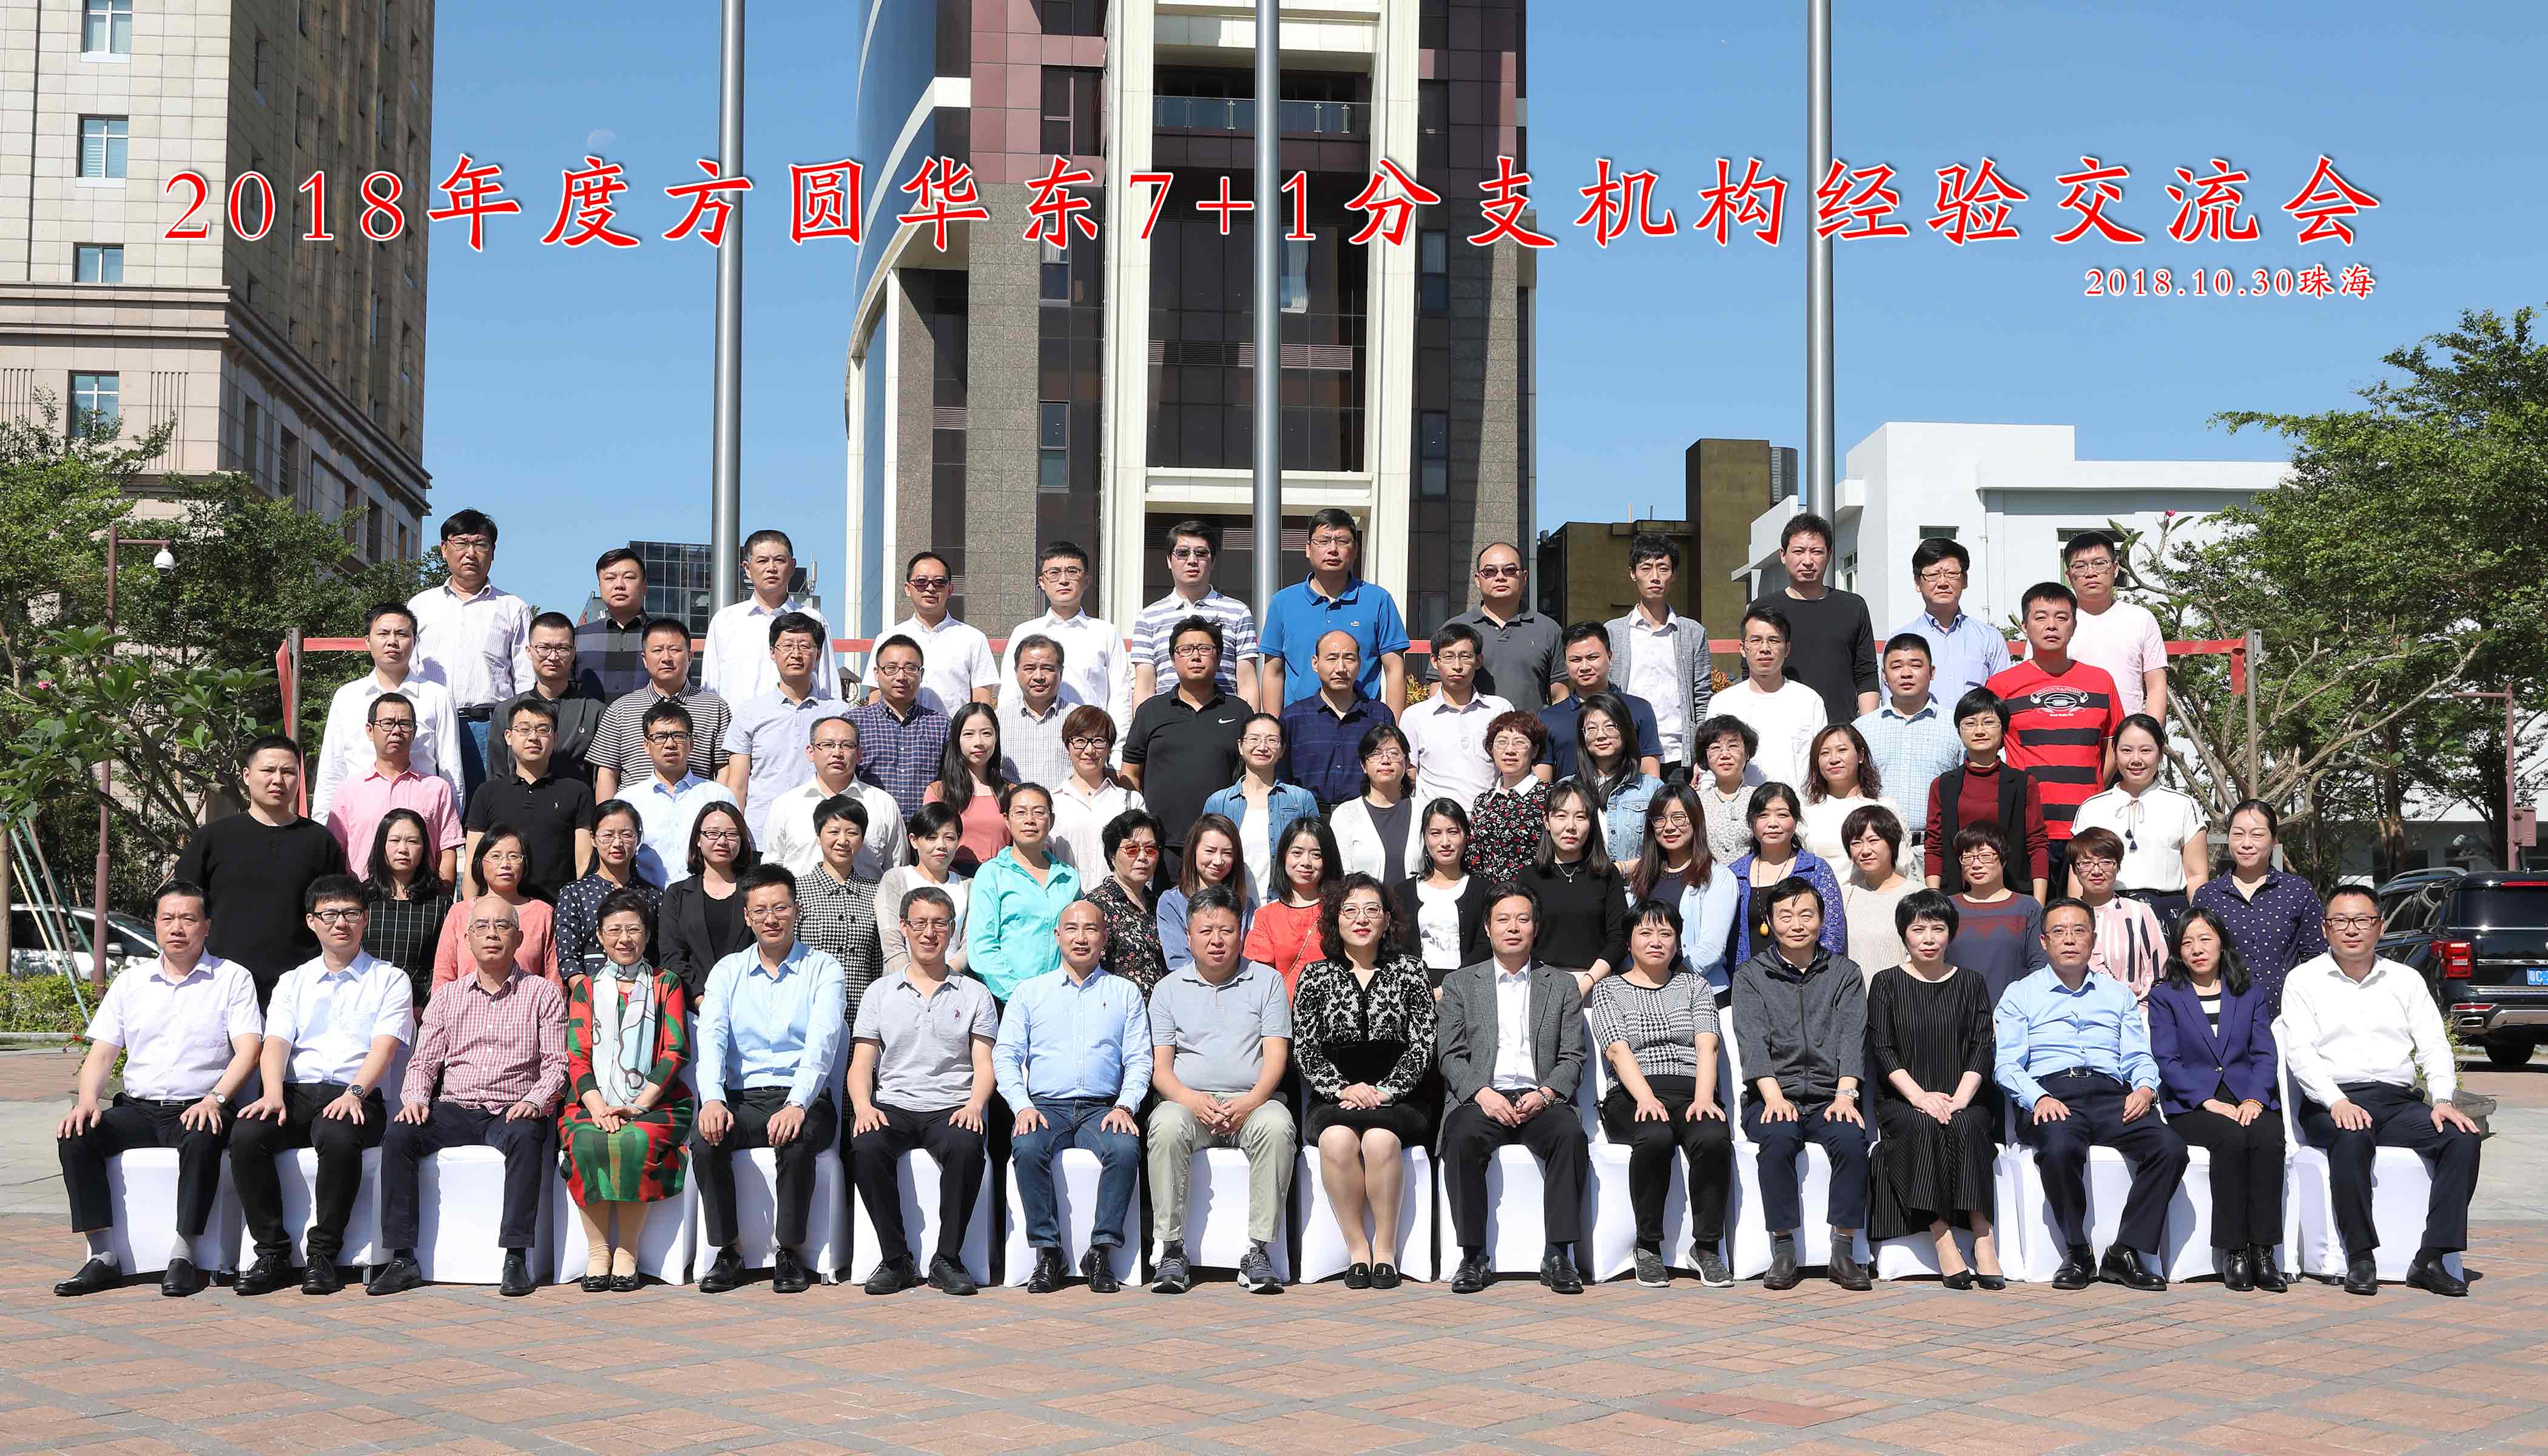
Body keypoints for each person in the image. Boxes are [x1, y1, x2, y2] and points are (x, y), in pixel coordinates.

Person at [52, 883, 262, 1298]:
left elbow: (249, 1050)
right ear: (156, 925)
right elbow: (103, 1052)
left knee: (203, 1137)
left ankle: (183, 1255)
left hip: (201, 1105)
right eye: (168, 919)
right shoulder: (132, 982)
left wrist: (215, 1099)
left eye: (188, 919)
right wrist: (87, 1102)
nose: (177, 928)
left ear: (207, 926)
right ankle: (103, 1255)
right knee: (77, 1134)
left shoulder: (232, 978)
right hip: (139, 1109)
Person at [2280, 886, 2482, 1298]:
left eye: (2362, 920)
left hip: (2397, 1102)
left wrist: (2443, 1100)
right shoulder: (2303, 980)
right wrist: (2336, 1100)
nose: (2352, 929)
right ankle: (2361, 1257)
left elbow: (2433, 1045)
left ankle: (2432, 1256)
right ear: (2325, 929)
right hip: (2332, 1100)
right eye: (2340, 921)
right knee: (2352, 1136)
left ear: (2380, 926)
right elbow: (2300, 1053)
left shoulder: (2406, 980)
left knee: (2462, 1137)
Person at [368, 895, 568, 1298]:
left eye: (502, 926)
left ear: (519, 939)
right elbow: (423, 1063)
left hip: (512, 1108)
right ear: (467, 939)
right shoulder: (447, 997)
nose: (492, 934)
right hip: (455, 1107)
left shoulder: (543, 994)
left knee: (529, 1135)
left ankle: (516, 1257)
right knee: (401, 1135)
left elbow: (556, 1065)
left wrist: (535, 1100)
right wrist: (416, 1099)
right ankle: (403, 1257)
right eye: (482, 927)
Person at [231, 877, 413, 1296]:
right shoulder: (293, 981)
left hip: (358, 1094)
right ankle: (272, 1253)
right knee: (246, 1135)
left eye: (350, 913)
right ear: (312, 922)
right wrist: (271, 1093)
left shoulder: (390, 979)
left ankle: (324, 1256)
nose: (340, 923)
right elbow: (276, 1043)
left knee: (338, 1134)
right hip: (295, 1093)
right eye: (329, 914)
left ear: (365, 919)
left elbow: (384, 1048)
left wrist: (355, 1093)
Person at [1996, 898, 2186, 1292]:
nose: (2070, 940)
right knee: (2060, 1147)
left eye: (2079, 931)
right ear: (2044, 941)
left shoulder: (2118, 994)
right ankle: (2077, 1250)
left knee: (2170, 1148)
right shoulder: (2020, 994)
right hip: (2052, 1094)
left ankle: (2126, 1251)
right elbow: (2007, 1065)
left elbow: (2137, 1054)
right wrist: (2038, 1098)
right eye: (2059, 932)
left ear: (2093, 940)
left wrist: (2145, 1087)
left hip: (2111, 1095)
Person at [690, 866, 847, 1296]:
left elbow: (822, 1044)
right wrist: (712, 1099)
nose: (771, 918)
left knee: (796, 1140)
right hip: (741, 1098)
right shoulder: (727, 971)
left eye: (780, 908)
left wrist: (797, 1104)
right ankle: (728, 1250)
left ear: (797, 910)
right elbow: (712, 1038)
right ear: (747, 916)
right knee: (705, 1140)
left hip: (804, 1097)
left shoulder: (823, 969)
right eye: (760, 910)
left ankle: (790, 1252)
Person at [1435, 885, 1592, 1295]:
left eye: (1523, 919)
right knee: (1462, 1136)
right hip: (1482, 1098)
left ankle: (1558, 1255)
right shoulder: (1460, 984)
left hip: (1539, 1098)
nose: (1513, 928)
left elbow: (1573, 1057)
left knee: (1569, 1135)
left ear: (1535, 928)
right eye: (1503, 919)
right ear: (1487, 928)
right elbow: (1450, 1054)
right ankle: (1473, 1256)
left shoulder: (1561, 985)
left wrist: (1546, 1094)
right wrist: (1481, 1094)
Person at [1146, 880, 1296, 1295]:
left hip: (1253, 1102)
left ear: (1241, 932)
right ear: (1189, 935)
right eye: (1206, 931)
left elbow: (1276, 1058)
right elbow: (1161, 1070)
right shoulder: (1167, 990)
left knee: (1277, 1126)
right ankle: (1171, 1248)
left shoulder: (1267, 982)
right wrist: (1191, 1100)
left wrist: (1251, 1102)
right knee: (1166, 1126)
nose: (1217, 941)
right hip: (1189, 1104)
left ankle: (1259, 1250)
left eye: (1227, 930)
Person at [848, 884, 997, 1298]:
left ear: (953, 929)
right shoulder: (880, 992)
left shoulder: (975, 993)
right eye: (920, 924)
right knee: (866, 1146)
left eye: (939, 924)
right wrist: (863, 1106)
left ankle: (947, 1259)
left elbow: (985, 1064)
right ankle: (895, 1259)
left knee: (968, 1147)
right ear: (904, 928)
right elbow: (861, 1064)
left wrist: (975, 1105)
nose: (929, 933)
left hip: (952, 1105)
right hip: (894, 1104)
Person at [996, 899, 1152, 1293]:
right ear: (1057, 936)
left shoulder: (1125, 992)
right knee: (1027, 1146)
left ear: (1105, 937)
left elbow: (1139, 1058)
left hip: (1103, 1108)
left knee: (1125, 1149)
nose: (1081, 938)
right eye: (1072, 928)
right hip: (1045, 1107)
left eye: (1090, 929)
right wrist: (1021, 1106)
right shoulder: (1030, 992)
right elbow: (1006, 1055)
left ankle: (1100, 1251)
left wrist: (1126, 1105)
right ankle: (1049, 1252)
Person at [1731, 877, 1873, 1290]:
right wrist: (1773, 1096)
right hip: (1772, 1094)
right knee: (1777, 1140)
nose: (1797, 924)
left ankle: (1843, 1251)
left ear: (1822, 919)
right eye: (1786, 916)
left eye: (1806, 914)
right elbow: (1752, 1041)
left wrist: (1846, 1095)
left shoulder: (1844, 973)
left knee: (1851, 1141)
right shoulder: (1752, 975)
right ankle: (1783, 1249)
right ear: (1770, 922)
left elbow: (1852, 1037)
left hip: (1832, 1095)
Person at [1293, 881, 1437, 1287]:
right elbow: (1305, 1046)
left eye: (1372, 910)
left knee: (1380, 1140)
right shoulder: (1315, 975)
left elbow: (1423, 1043)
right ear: (1335, 920)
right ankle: (1358, 1249)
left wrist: (1386, 1090)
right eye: (1351, 910)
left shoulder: (1411, 971)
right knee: (1337, 1140)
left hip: (1400, 1098)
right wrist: (1342, 1088)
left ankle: (1385, 1251)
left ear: (1387, 920)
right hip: (1335, 1097)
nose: (1362, 919)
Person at [1588, 897, 1734, 1288]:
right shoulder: (1609, 990)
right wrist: (1646, 1098)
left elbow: (1707, 1045)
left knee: (1713, 1137)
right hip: (1633, 1094)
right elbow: (1617, 1051)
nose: (1656, 941)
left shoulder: (1695, 986)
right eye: (1646, 933)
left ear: (1677, 942)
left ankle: (1707, 1247)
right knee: (1654, 1136)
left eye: (1666, 934)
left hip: (1692, 1091)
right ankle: (1648, 1245)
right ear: (1629, 942)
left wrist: (1705, 1098)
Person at [1864, 889, 2003, 1289]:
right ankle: (1942, 1237)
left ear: (1950, 934)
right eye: (1918, 929)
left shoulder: (1971, 983)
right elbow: (1883, 1048)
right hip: (1903, 1098)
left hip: (1962, 1094)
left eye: (1938, 929)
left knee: (1967, 1125)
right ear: (1904, 935)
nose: (1928, 938)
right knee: (1923, 1126)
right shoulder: (1886, 983)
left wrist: (1960, 1098)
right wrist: (1920, 1097)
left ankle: (1983, 1237)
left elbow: (1982, 1045)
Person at [558, 889, 693, 1293]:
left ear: (647, 935)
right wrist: (599, 1107)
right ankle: (598, 1251)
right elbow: (578, 1056)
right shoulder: (586, 989)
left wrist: (638, 1105)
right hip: (592, 1101)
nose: (624, 939)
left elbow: (675, 1051)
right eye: (614, 930)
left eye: (633, 929)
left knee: (635, 1141)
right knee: (587, 1140)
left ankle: (627, 1251)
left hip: (657, 1101)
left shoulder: (666, 984)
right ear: (600, 937)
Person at [2145, 906, 2286, 1293]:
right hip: (2194, 1104)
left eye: (2205, 939)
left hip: (2247, 1096)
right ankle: (2234, 1251)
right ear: (2177, 951)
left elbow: (2264, 1054)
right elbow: (2167, 1060)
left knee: (2268, 1139)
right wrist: (2208, 1101)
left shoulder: (2249, 993)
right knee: (2231, 1139)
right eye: (2187, 942)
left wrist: (2256, 1099)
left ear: (2222, 943)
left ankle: (2264, 1251)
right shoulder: (2165, 997)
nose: (2197, 949)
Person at [175, 735, 349, 1003]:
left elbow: (334, 910)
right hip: (221, 984)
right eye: (268, 770)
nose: (278, 780)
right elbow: (183, 907)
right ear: (247, 775)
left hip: (301, 987)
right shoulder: (212, 839)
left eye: (288, 772)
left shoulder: (320, 841)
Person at [1987, 582, 2124, 894]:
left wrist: (2095, 789)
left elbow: (2115, 744)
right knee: (2031, 915)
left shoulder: (2100, 681)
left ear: (2074, 626)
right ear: (2025, 626)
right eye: (2041, 617)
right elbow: (1985, 747)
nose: (2052, 625)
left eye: (2062, 617)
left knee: (2081, 917)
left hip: (2086, 828)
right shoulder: (2001, 685)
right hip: (2027, 828)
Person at [408, 510, 536, 800]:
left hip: (489, 728)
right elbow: (409, 671)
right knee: (431, 808)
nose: (471, 553)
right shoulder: (420, 606)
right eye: (462, 543)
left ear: (492, 551)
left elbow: (526, 680)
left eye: (480, 544)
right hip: (430, 726)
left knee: (491, 809)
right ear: (444, 549)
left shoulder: (513, 608)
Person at [309, 602, 462, 829]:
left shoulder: (437, 696)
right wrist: (324, 831)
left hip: (419, 825)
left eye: (402, 634)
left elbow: (452, 772)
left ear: (415, 641)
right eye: (383, 633)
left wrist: (448, 831)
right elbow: (332, 771)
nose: (392, 641)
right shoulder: (347, 697)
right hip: (359, 821)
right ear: (367, 641)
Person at [1121, 616, 1250, 864]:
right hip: (1160, 845)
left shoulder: (1239, 711)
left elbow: (1250, 777)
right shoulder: (1151, 711)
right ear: (1173, 659)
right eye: (1186, 650)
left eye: (1205, 649)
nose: (1196, 657)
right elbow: (1131, 773)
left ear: (1219, 657)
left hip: (1221, 846)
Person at [1259, 508, 1409, 715]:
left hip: (1363, 722)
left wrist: (1392, 727)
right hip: (1299, 723)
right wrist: (1274, 726)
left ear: (1355, 550)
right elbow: (1273, 672)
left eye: (1342, 541)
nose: (1333, 549)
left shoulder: (1378, 600)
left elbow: (1395, 669)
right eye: (1323, 541)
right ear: (1308, 549)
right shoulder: (1283, 602)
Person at [720, 611, 852, 841]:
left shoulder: (839, 713)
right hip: (760, 835)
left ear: (818, 654)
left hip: (822, 836)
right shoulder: (749, 713)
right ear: (773, 653)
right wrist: (734, 836)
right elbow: (737, 786)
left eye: (805, 646)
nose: (796, 654)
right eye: (787, 646)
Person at [2189, 799, 2327, 1012]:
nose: (2246, 844)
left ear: (2274, 841)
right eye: (2238, 834)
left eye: (2257, 835)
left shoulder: (2298, 891)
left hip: (2286, 1012)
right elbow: (2196, 960)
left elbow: (2316, 958)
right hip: (2224, 1013)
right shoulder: (2208, 896)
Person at [2071, 714, 2208, 918]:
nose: (2136, 760)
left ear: (2160, 754)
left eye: (2146, 750)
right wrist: (2077, 918)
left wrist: (2197, 923)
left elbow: (2196, 875)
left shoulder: (2184, 805)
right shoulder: (2091, 808)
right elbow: (2077, 876)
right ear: (2115, 753)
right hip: (2104, 913)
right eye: (2127, 750)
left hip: (2168, 915)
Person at [463, 696, 596, 900]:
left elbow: (584, 863)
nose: (534, 737)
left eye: (543, 730)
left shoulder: (578, 792)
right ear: (508, 737)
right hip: (498, 910)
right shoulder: (487, 793)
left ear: (556, 738)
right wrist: (469, 909)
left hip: (556, 908)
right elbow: (473, 863)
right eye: (524, 729)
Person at [325, 692, 463, 889]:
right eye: (388, 723)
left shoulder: (437, 789)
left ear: (414, 732)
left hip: (422, 899)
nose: (397, 731)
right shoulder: (349, 791)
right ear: (370, 731)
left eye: (405, 724)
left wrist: (443, 899)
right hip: (362, 899)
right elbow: (336, 853)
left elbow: (447, 851)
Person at [589, 618, 733, 801]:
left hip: (697, 813)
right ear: (644, 659)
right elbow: (607, 773)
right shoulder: (621, 709)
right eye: (657, 650)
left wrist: (714, 812)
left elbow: (724, 769)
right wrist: (609, 816)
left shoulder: (715, 708)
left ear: (690, 657)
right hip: (634, 813)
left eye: (675, 650)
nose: (666, 658)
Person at [1924, 690, 2049, 900]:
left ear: (2003, 729)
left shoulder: (2023, 783)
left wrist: (2037, 904)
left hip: (2012, 894)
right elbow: (1935, 846)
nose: (1980, 731)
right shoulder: (1943, 785)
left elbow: (2036, 844)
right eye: (1970, 723)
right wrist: (1935, 899)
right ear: (1959, 731)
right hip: (1956, 895)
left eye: (1989, 722)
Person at [1608, 533, 1713, 780]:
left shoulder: (1693, 633)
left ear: (1673, 574)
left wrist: (1701, 756)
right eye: (1646, 568)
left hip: (1679, 756)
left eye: (1663, 568)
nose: (1655, 577)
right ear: (1633, 573)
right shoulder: (1613, 632)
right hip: (1628, 754)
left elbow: (1702, 698)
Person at [1000, 541, 1131, 737]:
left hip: (1091, 741)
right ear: (1042, 582)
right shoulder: (1024, 632)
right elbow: (1010, 694)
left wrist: (1118, 749)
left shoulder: (1106, 633)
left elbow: (1120, 698)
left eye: (1072, 572)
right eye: (1054, 573)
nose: (1063, 580)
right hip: (1033, 738)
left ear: (1086, 580)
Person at [965, 784, 1082, 1003]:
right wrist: (1019, 995)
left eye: (1039, 812)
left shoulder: (1068, 877)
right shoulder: (992, 874)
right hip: (1009, 1001)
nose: (1030, 820)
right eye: (1020, 812)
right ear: (1007, 820)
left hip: (1062, 998)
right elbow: (982, 946)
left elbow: (1078, 940)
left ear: (1051, 820)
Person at [1512, 780, 1631, 995]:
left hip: (1596, 986)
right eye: (1561, 816)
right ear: (1547, 821)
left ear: (1591, 823)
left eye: (1581, 817)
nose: (1571, 827)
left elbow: (1619, 939)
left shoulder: (1606, 875)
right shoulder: (1529, 877)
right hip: (1540, 985)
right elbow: (1518, 938)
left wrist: (1587, 983)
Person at [1756, 512, 1877, 720]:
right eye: (1799, 551)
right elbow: (1753, 674)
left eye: (1817, 552)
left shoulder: (1853, 607)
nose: (1808, 561)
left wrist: (1867, 728)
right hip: (1780, 726)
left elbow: (1866, 675)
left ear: (1829, 555)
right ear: (1783, 555)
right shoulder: (1763, 609)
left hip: (1840, 728)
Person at [1130, 519, 1261, 709]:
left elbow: (1247, 684)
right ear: (1169, 560)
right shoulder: (1148, 617)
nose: (1192, 561)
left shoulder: (1239, 612)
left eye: (1201, 553)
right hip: (1166, 720)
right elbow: (1144, 687)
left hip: (1224, 718)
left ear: (1213, 560)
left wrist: (1249, 725)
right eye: (1183, 553)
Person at [1624, 786, 1741, 996]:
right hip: (1647, 993)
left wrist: (1669, 985)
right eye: (1660, 819)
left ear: (1695, 820)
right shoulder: (1643, 876)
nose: (1669, 827)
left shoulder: (1718, 877)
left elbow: (1711, 948)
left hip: (1704, 993)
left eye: (1679, 818)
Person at [701, 528, 841, 703]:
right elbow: (710, 692)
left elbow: (829, 689)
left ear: (792, 567)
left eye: (779, 560)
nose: (771, 568)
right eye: (762, 561)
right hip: (738, 720)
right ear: (747, 569)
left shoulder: (813, 620)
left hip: (799, 719)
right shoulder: (724, 622)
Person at [1854, 632, 1964, 850]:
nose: (1906, 674)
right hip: (1877, 848)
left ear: (1932, 672)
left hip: (1937, 848)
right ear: (1884, 675)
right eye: (1896, 667)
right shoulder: (1861, 729)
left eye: (1915, 665)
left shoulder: (1956, 727)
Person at [761, 715, 905, 882]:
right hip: (800, 898)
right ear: (811, 752)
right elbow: (772, 866)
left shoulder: (883, 804)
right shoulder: (786, 805)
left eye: (847, 745)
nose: (837, 753)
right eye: (828, 745)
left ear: (859, 754)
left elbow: (896, 870)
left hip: (870, 898)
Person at [1201, 713, 1320, 903]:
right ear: (1240, 746)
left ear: (1282, 750)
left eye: (1272, 740)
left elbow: (1317, 855)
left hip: (1286, 904)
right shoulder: (1218, 802)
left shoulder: (1301, 800)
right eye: (1254, 739)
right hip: (1231, 907)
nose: (1263, 747)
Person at [1726, 784, 1847, 968]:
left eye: (1782, 815)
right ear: (1751, 823)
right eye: (1763, 815)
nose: (1773, 823)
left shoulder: (1816, 870)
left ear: (1796, 821)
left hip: (1805, 979)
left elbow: (1833, 934)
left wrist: (1813, 975)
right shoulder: (1735, 874)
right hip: (1748, 980)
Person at [868, 550, 1001, 713]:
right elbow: (875, 696)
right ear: (908, 589)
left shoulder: (973, 639)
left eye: (939, 582)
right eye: (921, 582)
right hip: (897, 729)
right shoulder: (887, 639)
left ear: (950, 590)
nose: (930, 588)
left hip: (953, 729)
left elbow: (981, 701)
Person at [625, 699, 738, 890]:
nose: (670, 744)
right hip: (647, 899)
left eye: (678, 736)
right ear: (646, 746)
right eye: (660, 737)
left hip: (704, 898)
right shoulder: (629, 801)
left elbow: (737, 852)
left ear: (691, 743)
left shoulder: (718, 796)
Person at [430, 826, 560, 991]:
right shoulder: (459, 913)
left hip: (527, 1006)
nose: (505, 864)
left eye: (514, 856)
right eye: (496, 856)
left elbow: (554, 978)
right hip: (465, 1006)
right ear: (480, 862)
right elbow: (443, 975)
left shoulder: (542, 914)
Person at [1401, 622, 1513, 812]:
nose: (1457, 666)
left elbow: (1513, 770)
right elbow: (1409, 774)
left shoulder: (1500, 710)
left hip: (1488, 820)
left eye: (1465, 657)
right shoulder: (1414, 716)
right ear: (1435, 661)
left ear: (1478, 661)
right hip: (1435, 823)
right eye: (1449, 657)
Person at [1711, 606, 1827, 789]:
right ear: (1743, 648)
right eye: (1756, 640)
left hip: (1797, 804)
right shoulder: (1722, 703)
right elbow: (1711, 766)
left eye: (1774, 640)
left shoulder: (1809, 701)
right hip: (1740, 804)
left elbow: (1822, 763)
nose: (1765, 649)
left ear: (1787, 648)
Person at [2061, 530, 2169, 721]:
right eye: (2080, 566)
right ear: (2068, 576)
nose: (2091, 573)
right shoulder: (2055, 623)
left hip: (2127, 734)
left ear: (2116, 569)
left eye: (2100, 564)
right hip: (2069, 732)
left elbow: (2156, 686)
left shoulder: (2141, 619)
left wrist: (2151, 734)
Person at [1535, 623, 1663, 782]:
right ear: (1566, 664)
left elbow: (1651, 777)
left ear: (1610, 657)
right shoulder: (1549, 718)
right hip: (1570, 797)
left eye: (1592, 658)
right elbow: (1543, 783)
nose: (1584, 667)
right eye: (1576, 660)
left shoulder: (1639, 709)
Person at [490, 612, 607, 786]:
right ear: (529, 651)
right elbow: (496, 778)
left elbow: (602, 779)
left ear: (573, 653)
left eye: (562, 648)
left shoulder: (595, 713)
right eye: (544, 648)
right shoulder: (506, 711)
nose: (553, 657)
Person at [847, 635, 954, 824]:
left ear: (921, 674)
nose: (901, 677)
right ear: (877, 673)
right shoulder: (854, 723)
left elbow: (953, 783)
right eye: (891, 668)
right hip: (870, 829)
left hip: (924, 832)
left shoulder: (941, 725)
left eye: (910, 668)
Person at [1282, 630, 1394, 810]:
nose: (1341, 668)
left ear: (1359, 664)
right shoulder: (1293, 718)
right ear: (1315, 663)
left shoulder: (1379, 716)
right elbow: (1281, 777)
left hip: (1365, 817)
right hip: (1309, 817)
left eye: (1349, 659)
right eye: (1332, 658)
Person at [657, 801, 758, 999]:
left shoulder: (756, 891)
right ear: (698, 839)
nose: (722, 841)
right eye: (713, 833)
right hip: (693, 1006)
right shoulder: (677, 894)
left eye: (731, 834)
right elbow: (672, 956)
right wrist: (700, 999)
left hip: (750, 1001)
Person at [795, 795, 885, 1017]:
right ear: (819, 836)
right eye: (834, 832)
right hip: (808, 1007)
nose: (843, 840)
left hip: (862, 1011)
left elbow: (877, 963)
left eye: (852, 833)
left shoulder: (876, 893)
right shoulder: (797, 890)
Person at [1446, 542, 1565, 708]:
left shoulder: (1548, 630)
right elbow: (1439, 690)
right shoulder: (1455, 628)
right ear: (1478, 580)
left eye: (1510, 570)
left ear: (1524, 577)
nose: (1500, 577)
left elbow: (1559, 696)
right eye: (1490, 572)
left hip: (1531, 726)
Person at [1895, 536, 2009, 704]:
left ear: (1965, 580)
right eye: (1933, 575)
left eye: (1951, 574)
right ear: (1918, 583)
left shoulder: (1990, 638)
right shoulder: (1900, 639)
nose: (1943, 582)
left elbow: (2001, 701)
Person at [362, 809, 457, 1010]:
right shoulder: (361, 898)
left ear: (424, 848)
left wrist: (425, 1008)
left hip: (419, 1008)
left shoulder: (439, 903)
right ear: (381, 846)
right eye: (394, 841)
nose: (403, 849)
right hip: (364, 1004)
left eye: (413, 841)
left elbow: (444, 965)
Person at [553, 800, 660, 977]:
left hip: (644, 986)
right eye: (608, 835)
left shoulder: (653, 896)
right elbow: (568, 958)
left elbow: (660, 954)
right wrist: (586, 991)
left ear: (638, 838)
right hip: (590, 985)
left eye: (626, 835)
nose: (617, 843)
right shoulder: (574, 893)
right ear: (593, 839)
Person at [1946, 827, 2050, 1005]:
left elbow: (2039, 966)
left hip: (2014, 1012)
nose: (1976, 865)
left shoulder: (2027, 908)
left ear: (2003, 859)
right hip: (1956, 1012)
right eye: (1968, 858)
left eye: (1985, 856)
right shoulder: (1947, 908)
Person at [1396, 800, 1491, 989]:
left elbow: (1485, 946)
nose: (1445, 842)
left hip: (1469, 989)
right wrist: (1422, 989)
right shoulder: (1403, 892)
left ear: (1466, 836)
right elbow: (1399, 948)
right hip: (1416, 990)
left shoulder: (1484, 891)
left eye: (1453, 832)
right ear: (1425, 837)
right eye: (1436, 833)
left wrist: (1451, 988)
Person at [1242, 817, 1340, 995]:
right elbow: (1258, 980)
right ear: (1283, 856)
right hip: (1283, 1009)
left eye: (1316, 855)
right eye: (1297, 853)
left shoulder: (1341, 910)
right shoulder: (1265, 916)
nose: (1306, 862)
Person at [2071, 826, 2166, 1005]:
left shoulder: (2139, 913)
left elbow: (2158, 974)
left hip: (2132, 1013)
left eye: (2106, 862)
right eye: (2086, 863)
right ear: (2075, 869)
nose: (2096, 871)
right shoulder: (2065, 917)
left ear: (2118, 866)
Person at [877, 804, 972, 980]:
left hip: (953, 983)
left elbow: (969, 943)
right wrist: (914, 981)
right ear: (914, 840)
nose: (941, 845)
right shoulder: (896, 879)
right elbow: (892, 942)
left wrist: (945, 977)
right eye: (931, 838)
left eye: (949, 838)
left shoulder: (968, 886)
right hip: (902, 982)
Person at [1048, 706, 1144, 877]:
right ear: (1068, 746)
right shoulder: (1052, 803)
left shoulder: (1130, 801)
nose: (1089, 750)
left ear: (1109, 748)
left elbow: (1144, 859)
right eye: (1080, 740)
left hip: (1117, 894)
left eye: (1099, 741)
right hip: (1066, 894)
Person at [1330, 723, 1422, 891]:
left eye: (1394, 754)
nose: (1386, 761)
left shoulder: (1423, 812)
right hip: (1363, 906)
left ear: (1407, 762)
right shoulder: (1345, 814)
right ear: (1363, 765)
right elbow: (1341, 875)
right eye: (1376, 754)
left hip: (1416, 906)